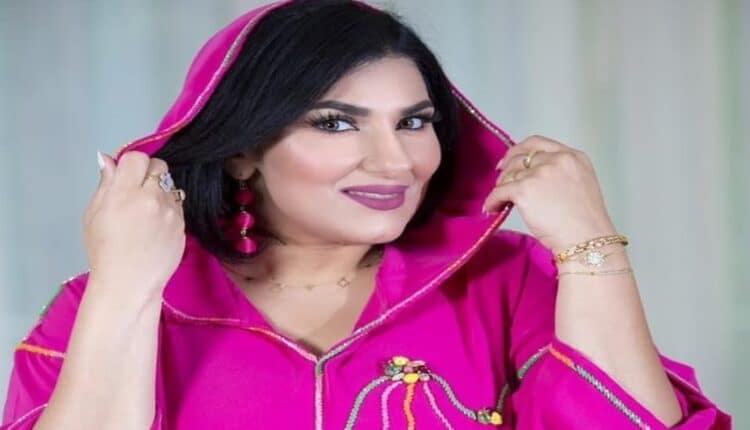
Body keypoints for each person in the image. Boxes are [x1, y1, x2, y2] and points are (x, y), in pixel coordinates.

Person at [1, 1, 731, 429]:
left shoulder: (507, 282)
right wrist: (125, 287)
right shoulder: (110, 306)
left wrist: (591, 244)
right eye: (336, 123)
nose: (395, 161)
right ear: (243, 150)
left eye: (414, 122)